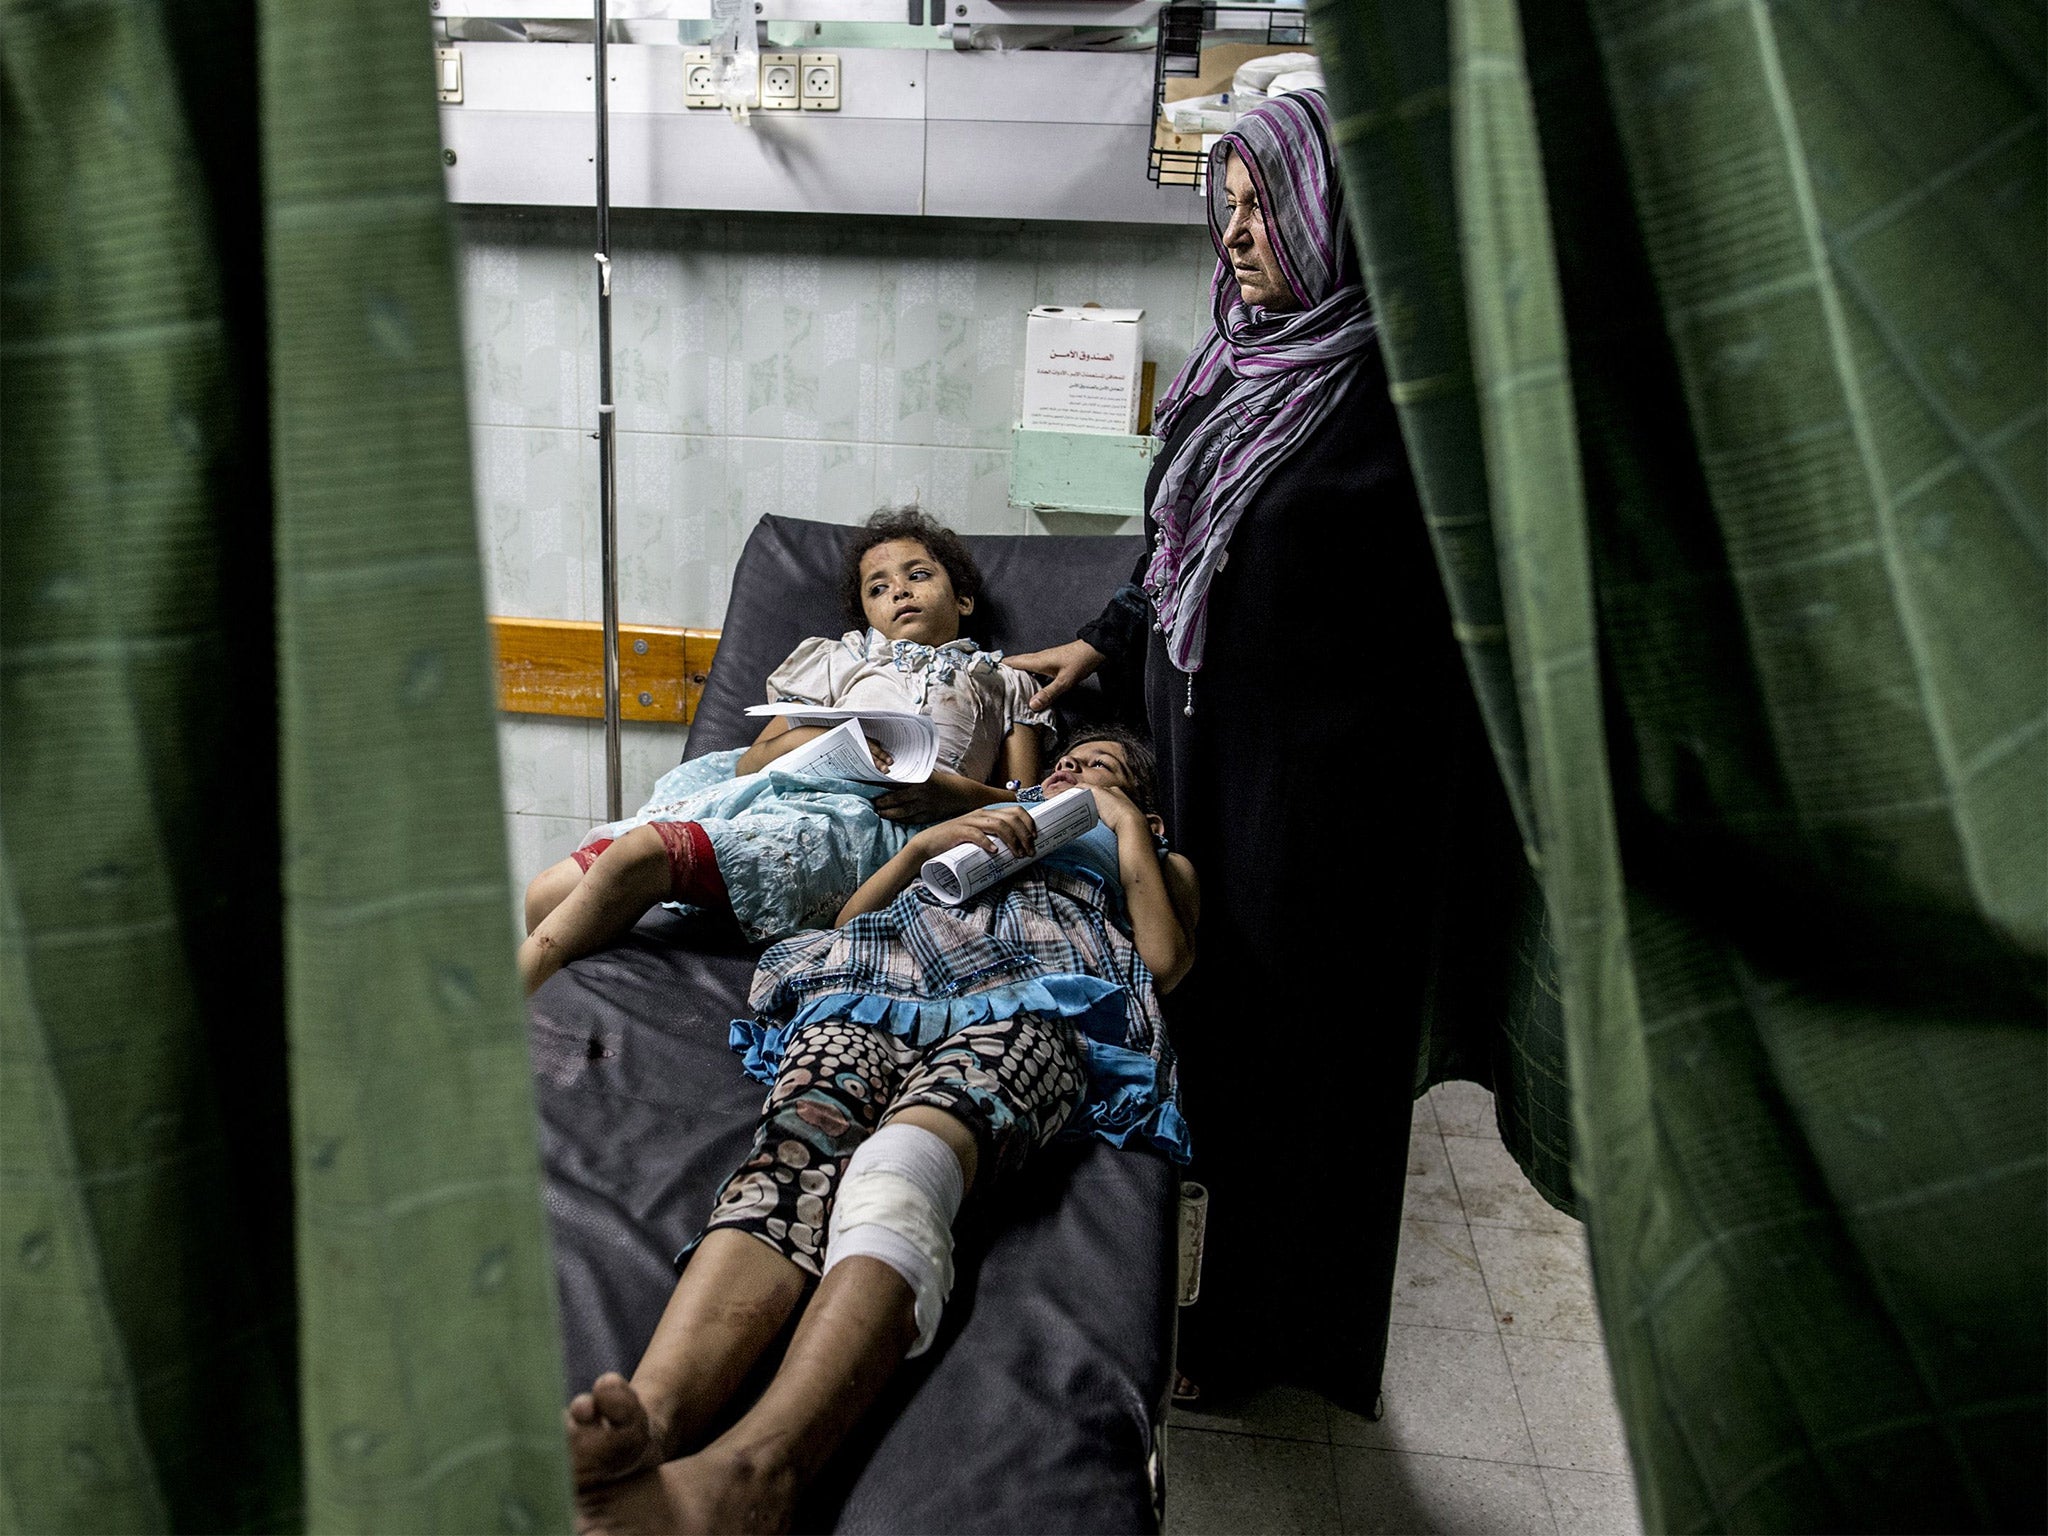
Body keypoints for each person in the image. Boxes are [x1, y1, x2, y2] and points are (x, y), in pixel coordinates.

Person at [1005, 89, 1471, 1414]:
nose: (1242, 228)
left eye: (1270, 202)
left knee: (1287, 1062)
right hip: (1201, 749)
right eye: (1232, 200)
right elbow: (1171, 559)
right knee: (1204, 1029)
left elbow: (1416, 644)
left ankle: (1261, 1337)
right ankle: (1202, 1292)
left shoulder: (1388, 399)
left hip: (1314, 792)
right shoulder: (1234, 362)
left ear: (1337, 212)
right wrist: (1095, 649)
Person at [564, 728, 1198, 1534]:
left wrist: (1121, 823)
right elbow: (852, 918)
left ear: (1141, 798)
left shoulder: (1150, 853)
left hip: (1041, 999)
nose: (1073, 769)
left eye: (1100, 765)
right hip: (876, 979)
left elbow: (1166, 961)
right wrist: (926, 846)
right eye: (1068, 761)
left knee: (906, 1162)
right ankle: (649, 1423)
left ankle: (761, 1467)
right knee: (794, 1149)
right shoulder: (990, 815)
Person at [520, 507, 1052, 993]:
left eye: (918, 575)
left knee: (639, 854)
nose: (900, 592)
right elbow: (753, 761)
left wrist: (958, 797)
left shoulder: (1005, 682)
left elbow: (1026, 802)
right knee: (545, 895)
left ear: (962, 598)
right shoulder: (837, 661)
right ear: (866, 613)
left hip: (871, 830)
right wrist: (809, 739)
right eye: (878, 587)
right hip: (776, 798)